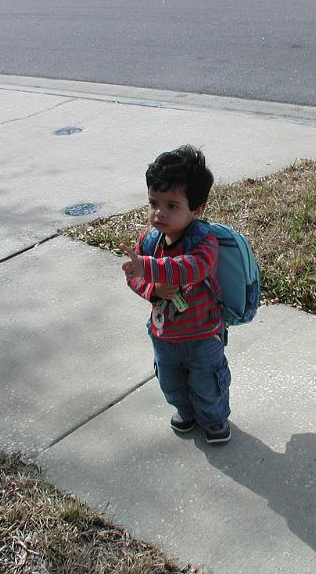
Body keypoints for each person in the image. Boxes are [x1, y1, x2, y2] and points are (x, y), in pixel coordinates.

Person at [121, 145, 232, 444]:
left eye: (172, 205)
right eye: (153, 202)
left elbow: (191, 269)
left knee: (206, 384)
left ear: (197, 209)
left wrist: (149, 269)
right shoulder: (150, 239)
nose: (159, 213)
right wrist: (151, 288)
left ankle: (214, 419)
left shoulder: (204, 241)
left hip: (202, 335)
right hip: (164, 334)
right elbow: (133, 276)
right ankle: (186, 411)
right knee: (171, 383)